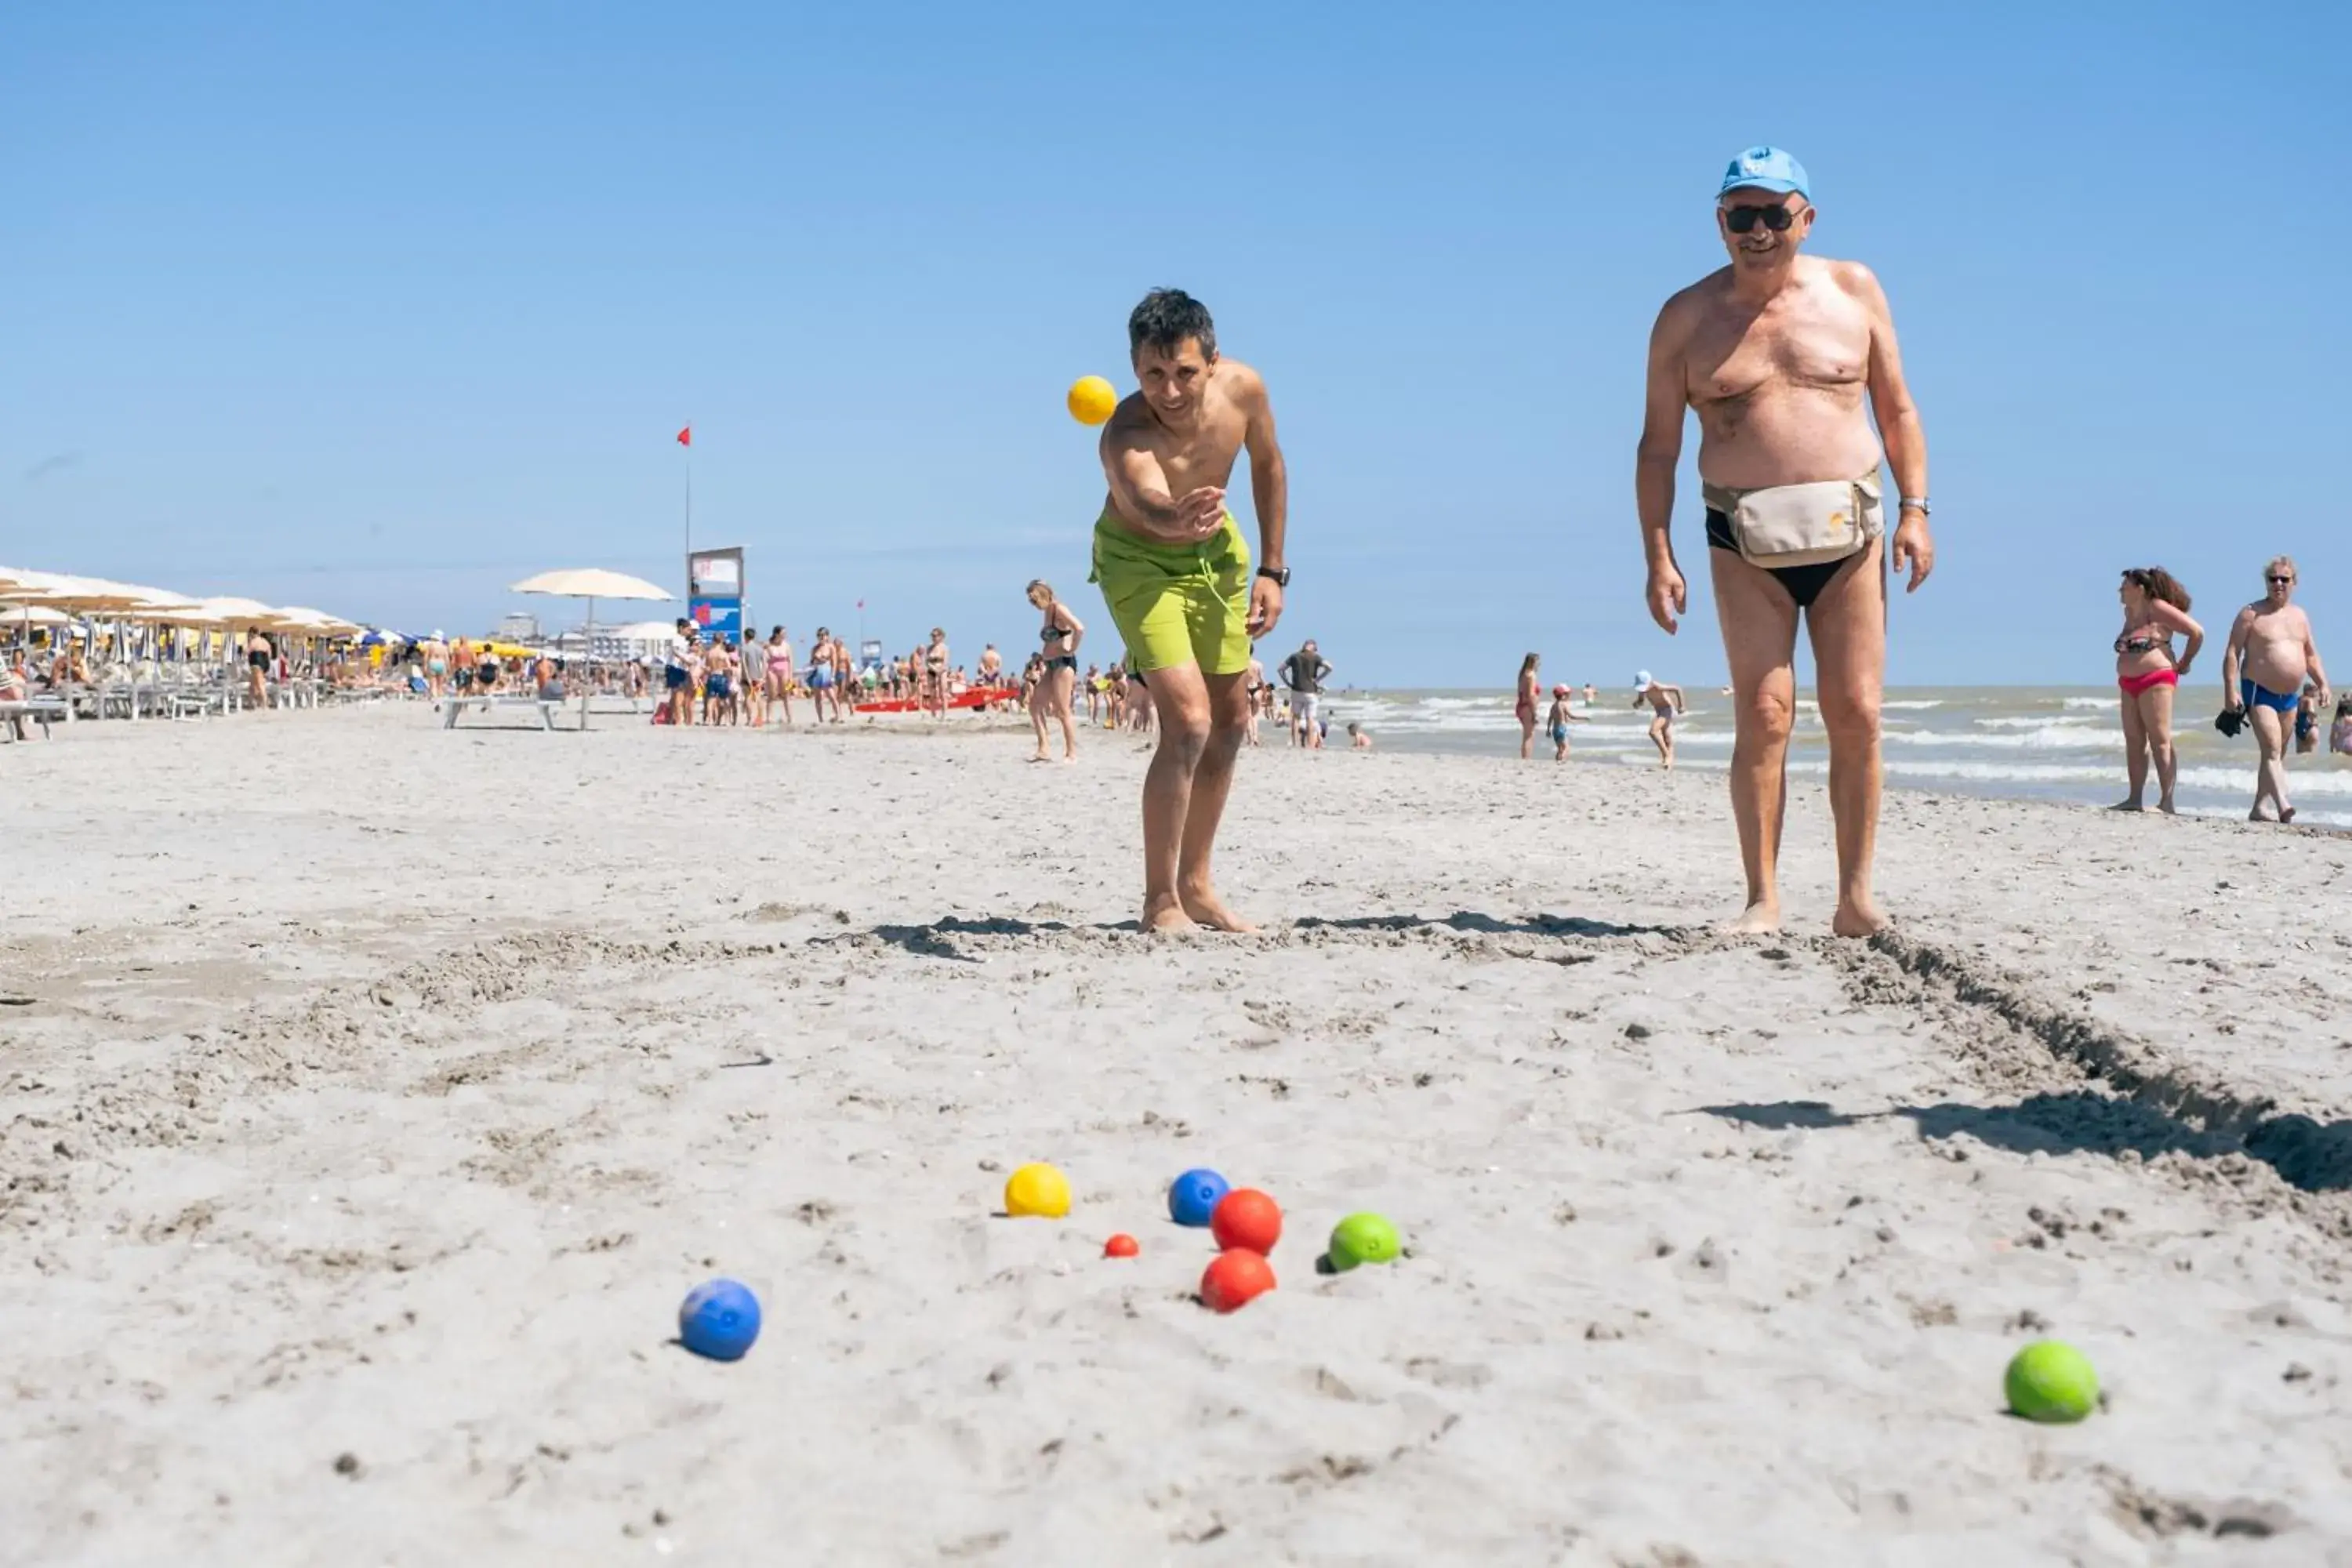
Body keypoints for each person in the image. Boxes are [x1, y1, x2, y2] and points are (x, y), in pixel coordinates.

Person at [1638, 147, 1934, 936]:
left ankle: (1855, 896)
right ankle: (1762, 898)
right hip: (1743, 536)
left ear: (1806, 218)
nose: (1758, 230)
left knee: (1856, 710)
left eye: (1775, 214)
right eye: (1743, 214)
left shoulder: (1854, 291)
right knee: (1765, 713)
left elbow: (1898, 409)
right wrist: (1658, 554)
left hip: (1853, 530)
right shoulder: (1685, 318)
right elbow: (1657, 447)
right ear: (1720, 221)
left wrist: (1917, 510)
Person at [1089, 288, 1287, 931]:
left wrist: (1271, 570)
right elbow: (1144, 501)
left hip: (1218, 558)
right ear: (1133, 367)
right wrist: (1171, 514)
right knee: (1191, 724)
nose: (1169, 391)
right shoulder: (1125, 431)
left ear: (1213, 361)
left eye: (1184, 373)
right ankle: (1160, 901)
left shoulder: (1246, 391)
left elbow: (1269, 466)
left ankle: (1197, 885)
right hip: (1139, 562)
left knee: (1231, 725)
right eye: (1153, 374)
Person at [2222, 557, 2329, 822]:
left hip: (2290, 697)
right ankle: (2283, 805)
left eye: (2284, 579)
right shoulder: (2251, 613)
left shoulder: (2300, 616)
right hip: (2259, 690)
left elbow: (2311, 655)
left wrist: (2323, 683)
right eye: (2273, 579)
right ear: (2266, 582)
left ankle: (2259, 807)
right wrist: (2229, 690)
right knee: (2271, 748)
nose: (2278, 584)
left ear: (2294, 583)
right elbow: (2233, 653)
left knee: (2277, 753)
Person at [2111, 567, 2202, 814]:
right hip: (2128, 681)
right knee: (2134, 740)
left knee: (2159, 739)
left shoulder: (2157, 608)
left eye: (2125, 586)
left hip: (2156, 679)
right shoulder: (2129, 612)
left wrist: (2185, 662)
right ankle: (2134, 798)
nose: (2120, 590)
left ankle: (2167, 801)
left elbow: (2196, 632)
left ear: (2140, 589)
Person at [1025, 579, 1083, 762]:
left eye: (1034, 600)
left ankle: (1071, 753)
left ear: (1043, 595)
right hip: (1050, 663)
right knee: (1035, 705)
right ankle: (1043, 747)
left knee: (1062, 709)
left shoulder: (1059, 609)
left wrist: (1072, 647)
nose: (1033, 605)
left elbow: (1079, 628)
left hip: (1063, 663)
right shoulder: (1048, 612)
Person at [1279, 639, 1329, 749]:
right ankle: (1310, 745)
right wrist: (1318, 679)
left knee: (1296, 718)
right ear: (1313, 648)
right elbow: (1329, 667)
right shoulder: (1316, 657)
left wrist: (1287, 682)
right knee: (1310, 719)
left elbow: (1280, 669)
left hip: (1296, 691)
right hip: (1311, 692)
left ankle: (1295, 743)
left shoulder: (1294, 656)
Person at [1632, 672, 1686, 768]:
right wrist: (1637, 704)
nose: (1643, 690)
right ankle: (1669, 762)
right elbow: (1641, 700)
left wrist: (1681, 706)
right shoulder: (1643, 691)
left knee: (1653, 731)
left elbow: (1677, 689)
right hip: (1659, 711)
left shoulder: (1657, 686)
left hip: (1668, 710)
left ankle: (1667, 756)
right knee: (1667, 737)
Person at [1546, 683, 1588, 760]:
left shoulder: (1553, 706)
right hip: (1561, 728)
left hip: (1554, 730)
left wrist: (1548, 730)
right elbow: (1572, 716)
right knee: (1566, 748)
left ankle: (1557, 761)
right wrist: (1583, 718)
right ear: (1562, 695)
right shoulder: (1563, 705)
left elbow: (1550, 719)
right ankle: (1561, 760)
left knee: (1560, 749)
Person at [1514, 652, 1542, 760]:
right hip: (1527, 707)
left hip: (1521, 706)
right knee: (1529, 736)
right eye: (1538, 662)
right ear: (1533, 663)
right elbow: (1531, 695)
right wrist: (1534, 712)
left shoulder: (1522, 674)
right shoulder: (1531, 675)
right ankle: (1527, 758)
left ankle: (1525, 758)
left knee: (1526, 735)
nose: (1539, 664)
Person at [739, 627, 768, 728]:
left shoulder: (744, 648)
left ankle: (750, 719)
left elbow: (744, 664)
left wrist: (747, 677)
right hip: (758, 676)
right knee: (758, 697)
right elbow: (765, 662)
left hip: (748, 677)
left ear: (745, 636)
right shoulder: (760, 649)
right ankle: (760, 719)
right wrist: (763, 676)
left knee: (748, 697)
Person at [2330, 693, 2352, 757]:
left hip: (2339, 745)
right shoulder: (2350, 719)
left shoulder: (2336, 721)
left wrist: (2331, 748)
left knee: (2342, 766)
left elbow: (2332, 736)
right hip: (2350, 743)